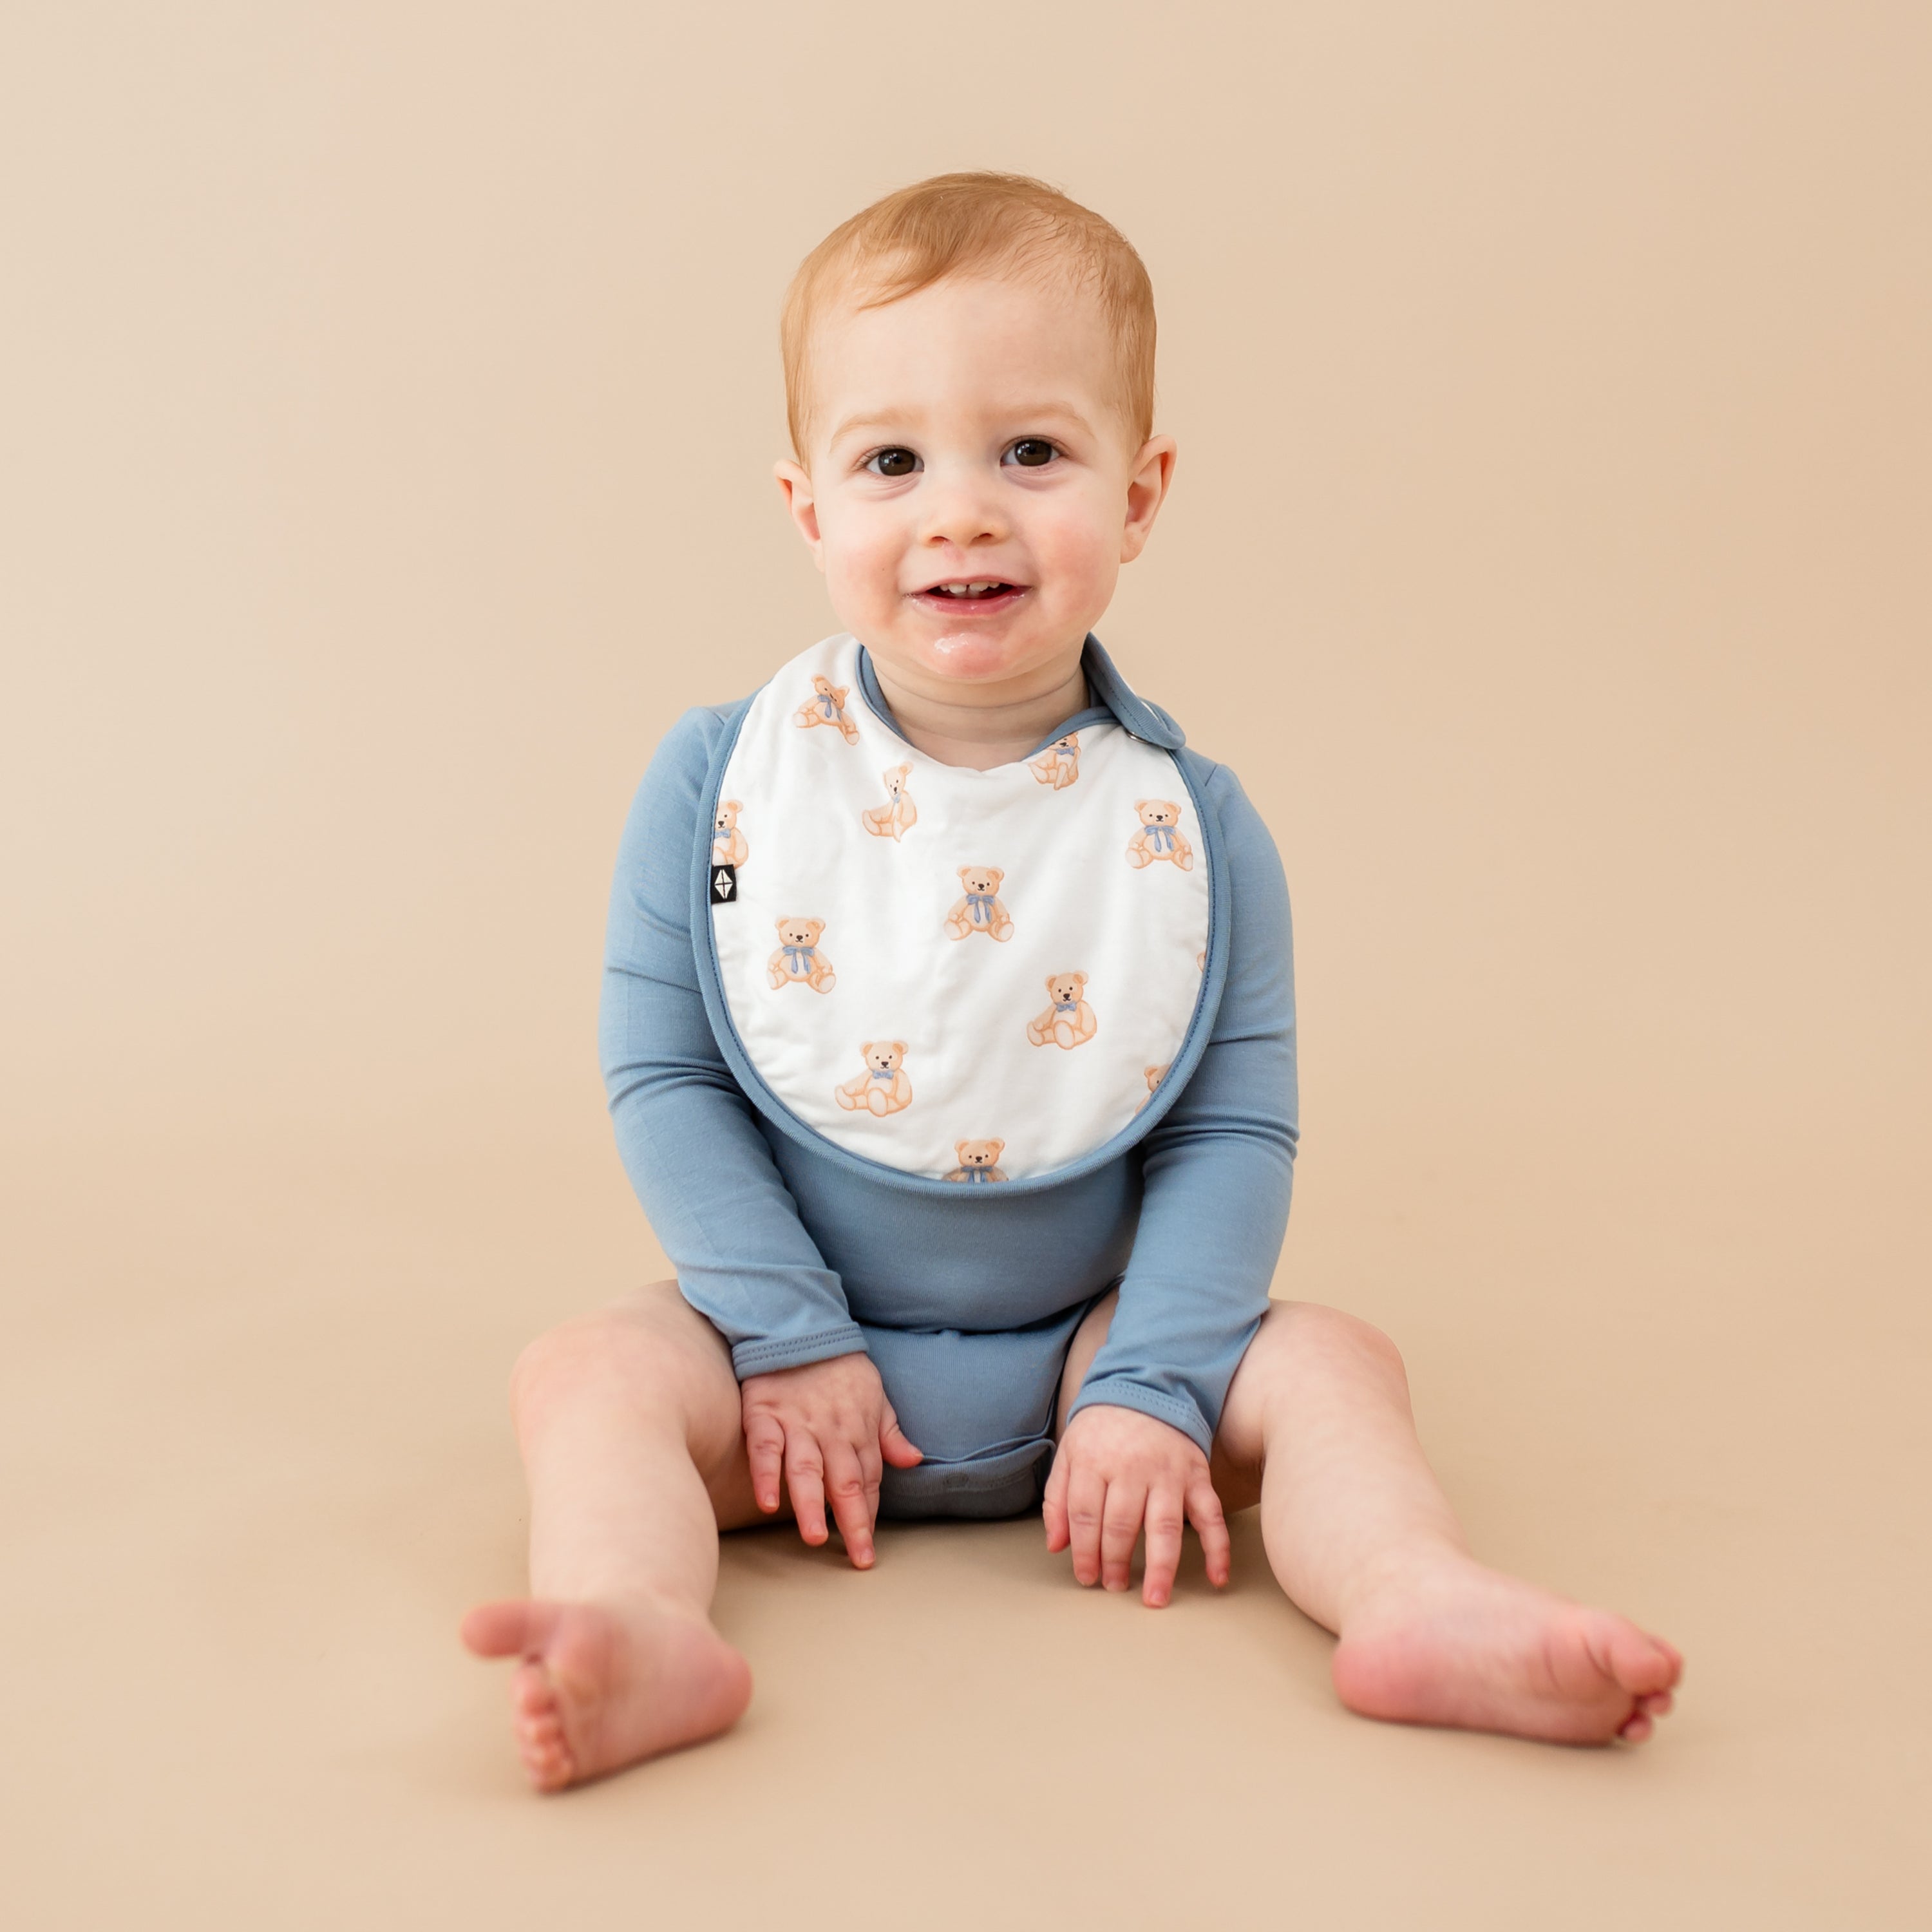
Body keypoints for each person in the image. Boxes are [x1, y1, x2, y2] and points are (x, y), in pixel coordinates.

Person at [462, 173, 1681, 1791]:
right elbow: (668, 1081)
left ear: (1143, 490)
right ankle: (639, 1627)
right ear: (807, 506)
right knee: (590, 1374)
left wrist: (1159, 1384)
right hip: (783, 1374)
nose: (961, 510)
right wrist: (779, 1334)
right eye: (892, 461)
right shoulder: (722, 782)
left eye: (1032, 452)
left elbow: (1231, 1139)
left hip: (1099, 1358)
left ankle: (1413, 1599)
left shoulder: (1195, 827)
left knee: (1333, 1367)